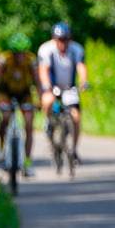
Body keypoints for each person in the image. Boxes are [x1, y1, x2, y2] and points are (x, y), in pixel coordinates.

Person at [0, 32, 41, 176]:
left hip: (24, 93)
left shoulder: (31, 60)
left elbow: (38, 81)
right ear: (13, 52)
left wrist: (40, 100)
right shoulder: (4, 59)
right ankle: (3, 149)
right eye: (17, 53)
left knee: (29, 123)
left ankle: (27, 161)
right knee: (5, 116)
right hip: (6, 92)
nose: (20, 57)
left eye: (22, 53)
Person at [38, 22, 89, 164]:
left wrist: (84, 81)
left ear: (69, 39)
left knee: (76, 117)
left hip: (69, 88)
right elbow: (44, 70)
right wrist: (47, 86)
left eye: (65, 39)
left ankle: (73, 150)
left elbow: (81, 66)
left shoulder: (76, 49)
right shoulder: (46, 49)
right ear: (54, 39)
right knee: (47, 101)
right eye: (59, 39)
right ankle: (48, 123)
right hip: (52, 87)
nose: (62, 43)